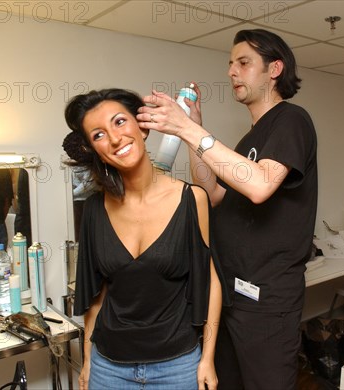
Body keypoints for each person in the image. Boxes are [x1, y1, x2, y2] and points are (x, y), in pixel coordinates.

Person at [138, 29, 318, 389]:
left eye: (243, 63)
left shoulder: (291, 120)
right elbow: (212, 192)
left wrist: (188, 128)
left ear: (274, 69)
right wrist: (195, 131)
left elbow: (260, 185)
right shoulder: (249, 139)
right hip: (230, 296)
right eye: (230, 64)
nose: (232, 72)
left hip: (267, 302)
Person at [63, 88, 228, 390]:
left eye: (119, 122)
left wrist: (208, 358)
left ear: (142, 126)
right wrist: (87, 360)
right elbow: (95, 298)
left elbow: (212, 282)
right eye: (98, 135)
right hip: (108, 367)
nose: (114, 138)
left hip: (177, 366)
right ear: (93, 149)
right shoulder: (94, 210)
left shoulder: (192, 199)